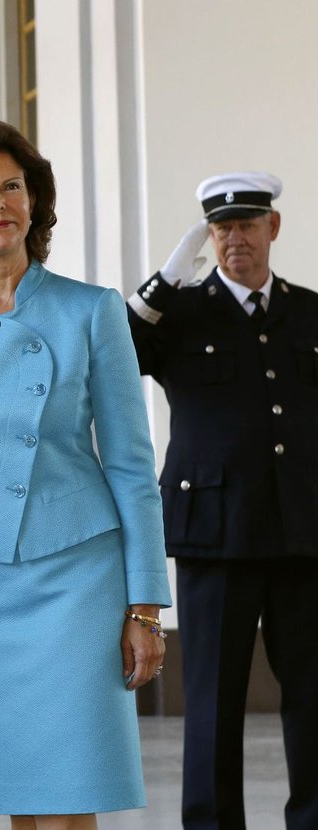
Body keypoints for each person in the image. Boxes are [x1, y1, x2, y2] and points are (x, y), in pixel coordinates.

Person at [0, 120, 171, 830]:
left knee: (73, 789)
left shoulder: (92, 309)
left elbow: (133, 466)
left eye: (11, 186)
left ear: (34, 201)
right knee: (16, 793)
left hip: (79, 577)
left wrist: (144, 605)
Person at [127, 172, 318, 830]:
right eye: (222, 228)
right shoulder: (178, 315)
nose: (236, 238)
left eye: (248, 224)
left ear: (274, 228)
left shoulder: (311, 311)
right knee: (210, 700)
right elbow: (115, 352)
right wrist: (163, 282)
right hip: (214, 531)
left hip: (304, 531)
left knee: (314, 697)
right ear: (209, 237)